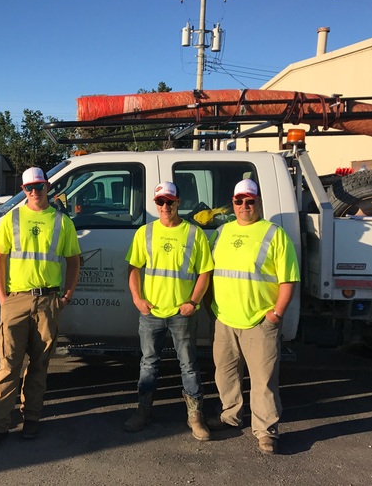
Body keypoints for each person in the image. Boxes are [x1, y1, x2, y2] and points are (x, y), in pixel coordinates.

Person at [0, 166, 81, 450]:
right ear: (23, 190)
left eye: (39, 186)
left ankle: (31, 417)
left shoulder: (61, 222)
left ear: (48, 186)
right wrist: (2, 298)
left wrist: (66, 295)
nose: (35, 191)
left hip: (48, 301)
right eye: (29, 187)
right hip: (16, 300)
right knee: (8, 363)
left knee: (40, 364)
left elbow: (73, 261)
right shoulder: (13, 219)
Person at [208, 178, 300, 455]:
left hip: (260, 321)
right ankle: (230, 415)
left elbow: (288, 279)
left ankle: (266, 432)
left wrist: (276, 314)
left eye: (250, 200)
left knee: (263, 380)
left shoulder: (274, 234)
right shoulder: (222, 232)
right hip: (224, 318)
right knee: (225, 374)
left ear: (258, 202)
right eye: (239, 201)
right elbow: (209, 271)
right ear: (232, 203)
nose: (245, 205)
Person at [123, 181, 213, 440]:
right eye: (160, 202)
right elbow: (133, 269)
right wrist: (138, 299)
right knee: (148, 364)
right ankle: (143, 411)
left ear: (178, 202)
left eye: (170, 201)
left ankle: (195, 418)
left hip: (182, 313)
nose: (165, 206)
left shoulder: (194, 233)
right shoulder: (145, 232)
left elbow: (205, 272)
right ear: (156, 204)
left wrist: (193, 303)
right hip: (151, 312)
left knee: (188, 364)